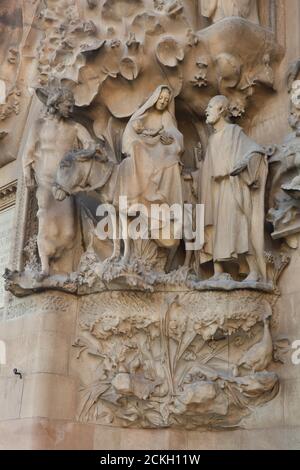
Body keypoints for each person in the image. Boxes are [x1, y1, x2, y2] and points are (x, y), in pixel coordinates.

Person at [199, 95, 267, 282]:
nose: (206, 110)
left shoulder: (234, 132)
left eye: (210, 106)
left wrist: (245, 162)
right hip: (216, 191)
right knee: (216, 229)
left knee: (240, 226)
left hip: (233, 187)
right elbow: (208, 171)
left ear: (221, 110)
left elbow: (256, 151)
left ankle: (254, 271)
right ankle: (218, 272)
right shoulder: (212, 140)